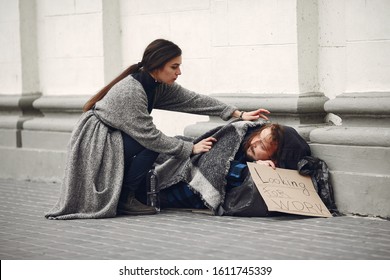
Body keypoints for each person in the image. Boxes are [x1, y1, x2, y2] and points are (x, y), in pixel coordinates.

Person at [45, 39, 270, 220]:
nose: (179, 71)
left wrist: (237, 114)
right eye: (174, 66)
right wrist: (190, 148)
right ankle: (125, 198)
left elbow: (193, 100)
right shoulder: (131, 91)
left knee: (151, 145)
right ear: (157, 65)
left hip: (113, 134)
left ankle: (128, 193)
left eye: (179, 66)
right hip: (97, 139)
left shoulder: (155, 85)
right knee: (150, 146)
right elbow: (149, 136)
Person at [159, 123, 284, 209]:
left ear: (274, 160)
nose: (254, 143)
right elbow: (216, 161)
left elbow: (223, 170)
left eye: (262, 146)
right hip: (177, 163)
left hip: (175, 191)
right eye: (258, 136)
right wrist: (250, 169)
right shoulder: (241, 136)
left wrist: (254, 170)